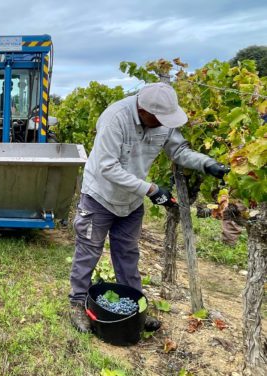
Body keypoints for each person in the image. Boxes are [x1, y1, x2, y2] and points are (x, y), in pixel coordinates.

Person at [68, 83, 230, 333]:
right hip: (99, 196)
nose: (165, 123)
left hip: (131, 201)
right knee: (88, 251)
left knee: (127, 254)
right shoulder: (115, 119)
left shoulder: (161, 119)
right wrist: (151, 190)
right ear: (142, 111)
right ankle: (77, 303)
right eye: (159, 119)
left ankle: (135, 306)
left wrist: (207, 163)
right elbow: (107, 167)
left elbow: (178, 150)